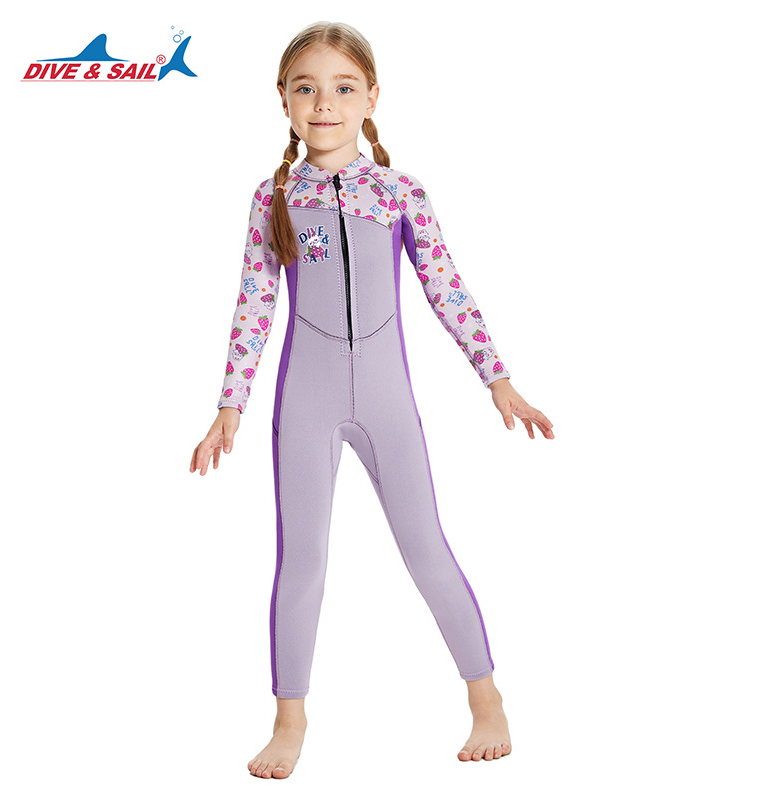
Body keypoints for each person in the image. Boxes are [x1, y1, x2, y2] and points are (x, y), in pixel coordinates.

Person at [190, 20, 555, 780]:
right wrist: (231, 404)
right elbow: (254, 301)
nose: (325, 102)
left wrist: (498, 379)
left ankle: (486, 699)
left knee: (427, 549)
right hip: (306, 398)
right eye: (307, 88)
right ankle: (289, 720)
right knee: (302, 561)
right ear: (284, 100)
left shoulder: (398, 192)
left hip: (388, 401)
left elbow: (446, 287)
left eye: (343, 87)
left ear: (372, 97)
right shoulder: (273, 197)